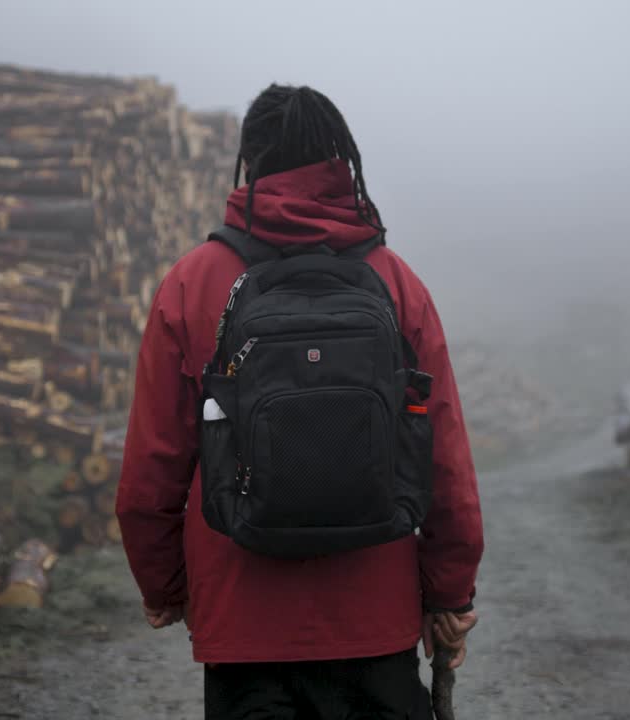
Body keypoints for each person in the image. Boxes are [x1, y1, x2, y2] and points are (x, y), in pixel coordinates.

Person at [117, 83, 484, 719]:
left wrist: (168, 587)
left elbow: (151, 473)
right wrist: (449, 593)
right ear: (338, 163)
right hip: (376, 625)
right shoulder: (396, 283)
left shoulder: (192, 282)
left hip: (242, 631)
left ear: (250, 164)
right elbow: (443, 458)